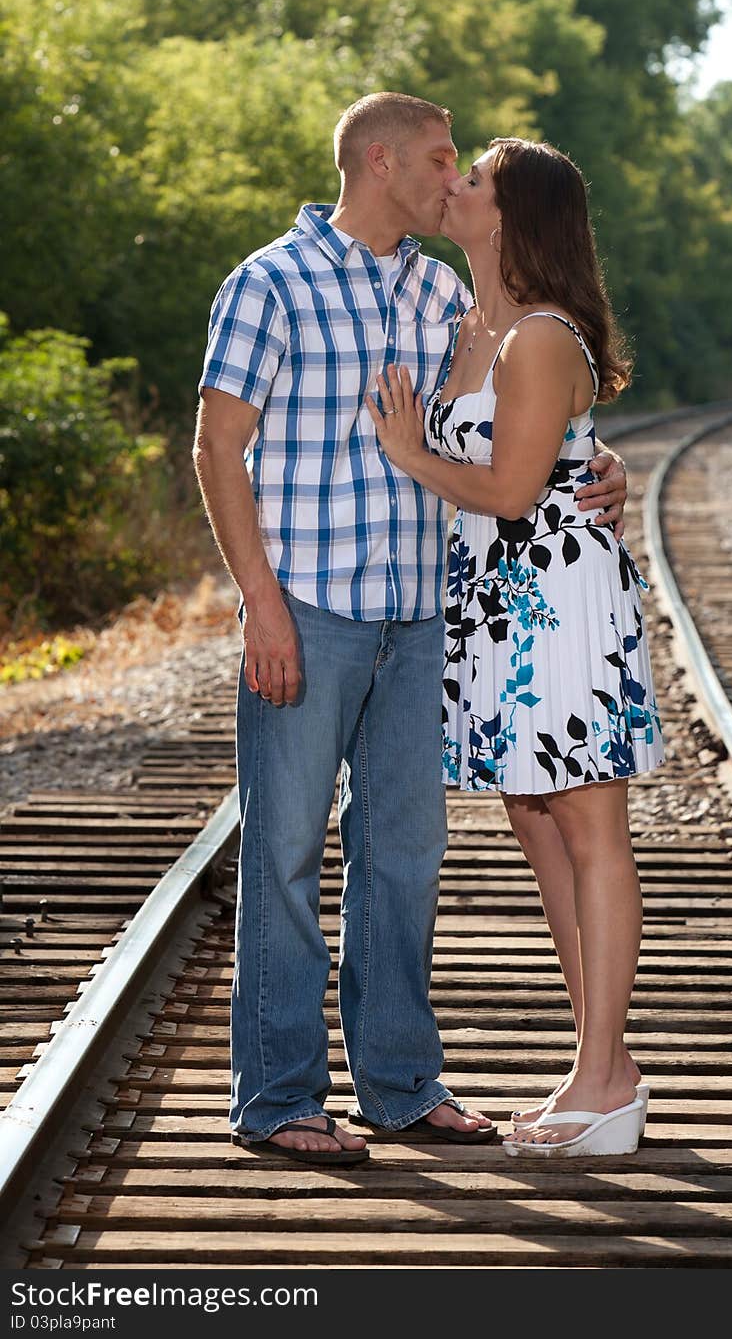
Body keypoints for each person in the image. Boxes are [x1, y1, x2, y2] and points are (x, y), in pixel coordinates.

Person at [193, 95, 629, 1165]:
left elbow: (524, 407)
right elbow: (215, 449)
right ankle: (281, 1095)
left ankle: (398, 1083)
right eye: (440, 159)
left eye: (461, 166)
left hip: (425, 619)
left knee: (404, 857)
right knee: (287, 853)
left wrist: (600, 463)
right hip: (307, 606)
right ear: (379, 162)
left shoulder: (443, 292)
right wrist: (259, 603)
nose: (451, 177)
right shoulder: (268, 283)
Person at [367, 136, 664, 1159]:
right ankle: (602, 1066)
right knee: (536, 828)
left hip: (557, 602)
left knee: (587, 830)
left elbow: (508, 488)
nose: (455, 186)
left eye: (475, 177)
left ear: (514, 214)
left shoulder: (538, 334)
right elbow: (537, 457)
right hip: (493, 608)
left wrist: (408, 453)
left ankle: (603, 1079)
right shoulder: (467, 321)